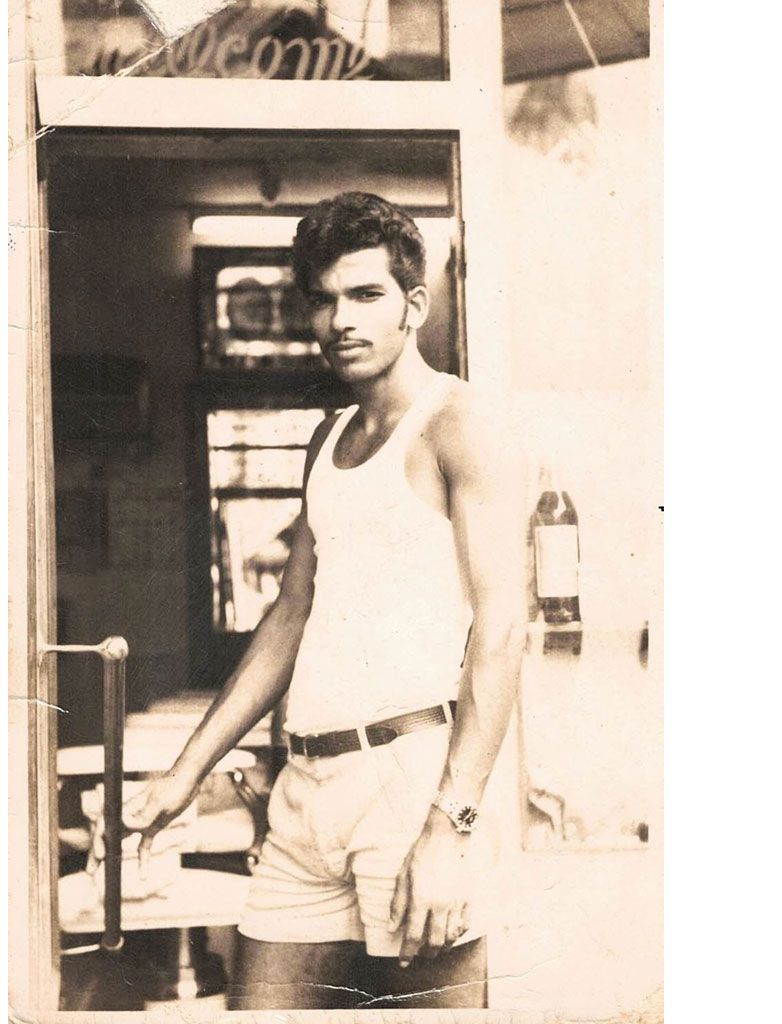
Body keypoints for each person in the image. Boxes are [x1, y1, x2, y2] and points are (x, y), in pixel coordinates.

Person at [121, 191, 527, 1009]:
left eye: (366, 294)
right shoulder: (326, 436)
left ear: (414, 304)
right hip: (305, 791)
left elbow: (503, 631)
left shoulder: (460, 423)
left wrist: (449, 828)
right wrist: (185, 772)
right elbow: (290, 616)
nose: (341, 319)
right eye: (323, 299)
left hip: (413, 785)